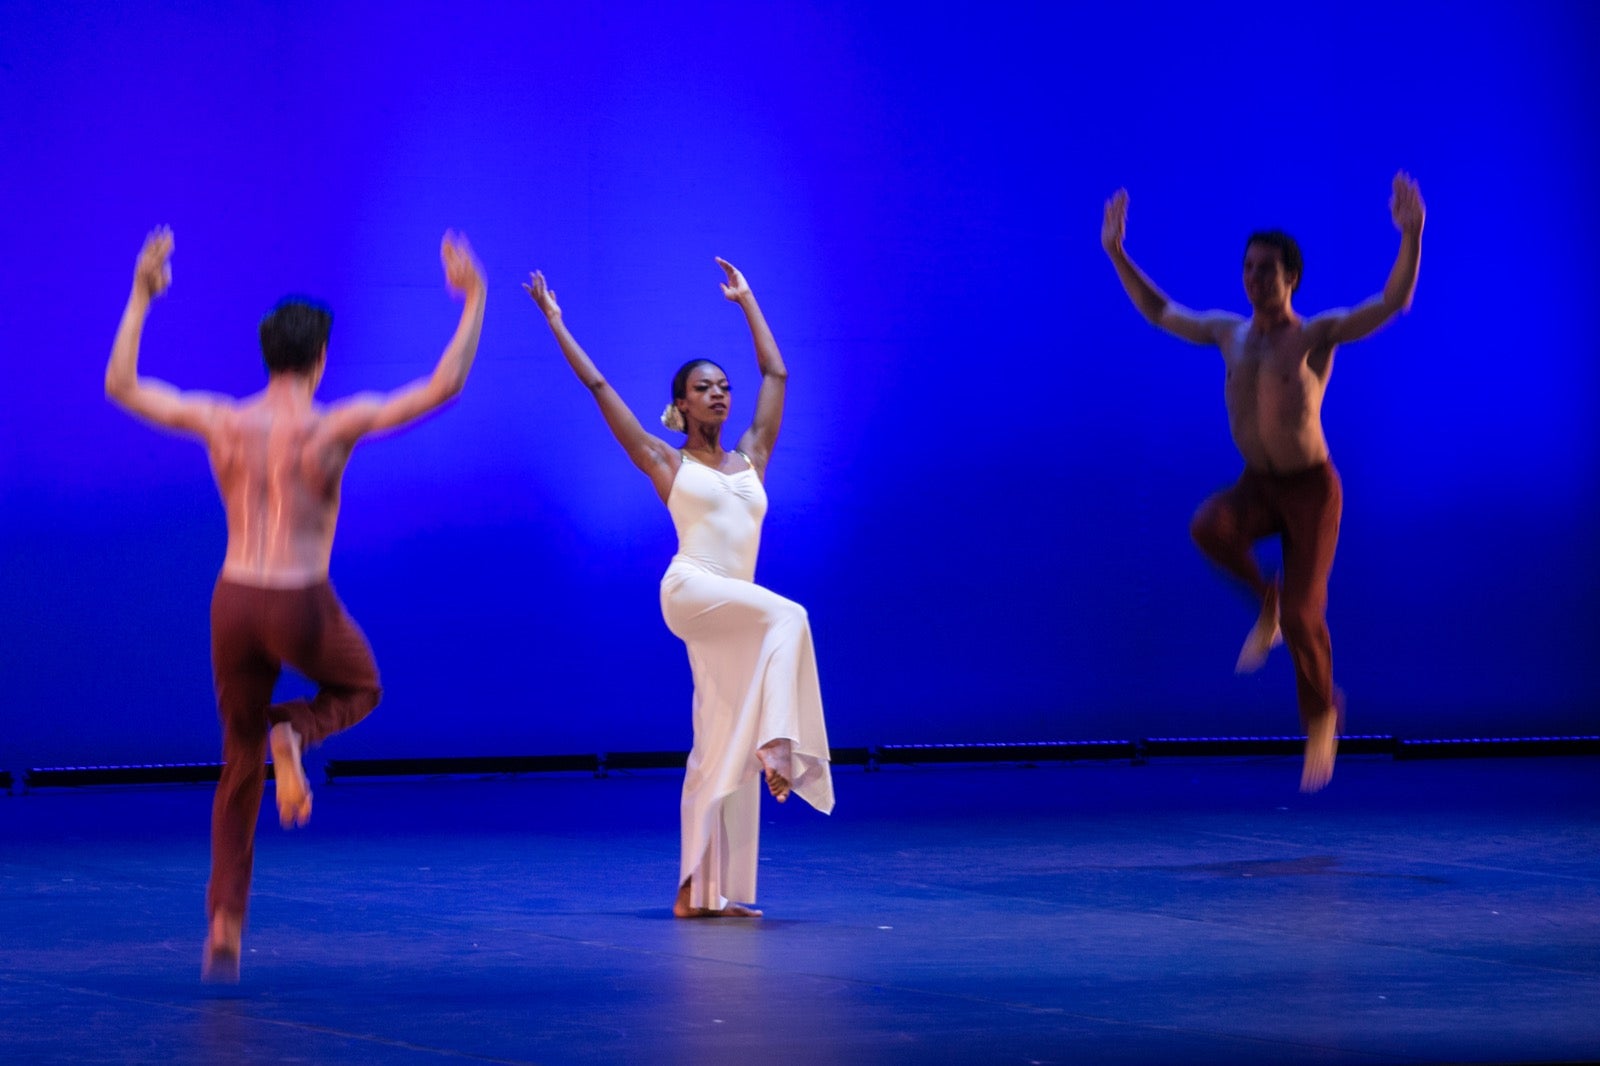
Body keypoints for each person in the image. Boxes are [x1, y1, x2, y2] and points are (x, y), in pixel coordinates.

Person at [104, 226, 486, 980]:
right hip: (299, 601)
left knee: (237, 760)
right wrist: (473, 297)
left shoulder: (220, 418)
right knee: (360, 687)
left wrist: (141, 296)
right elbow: (443, 385)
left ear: (267, 355)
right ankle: (294, 732)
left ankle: (224, 919)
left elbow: (122, 385)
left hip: (233, 600)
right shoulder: (331, 423)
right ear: (320, 359)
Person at [525, 258, 834, 918]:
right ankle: (780, 746)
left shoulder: (752, 455)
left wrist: (747, 301)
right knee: (791, 617)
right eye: (704, 387)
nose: (719, 394)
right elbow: (599, 386)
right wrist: (556, 321)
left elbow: (777, 375)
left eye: (724, 386)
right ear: (682, 404)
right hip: (693, 590)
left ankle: (699, 891)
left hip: (736, 613)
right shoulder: (665, 460)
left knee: (717, 742)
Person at [1101, 173, 1424, 792]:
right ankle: (1265, 602)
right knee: (1208, 527)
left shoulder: (1316, 335)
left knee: (1305, 617)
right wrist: (1117, 252)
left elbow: (1391, 302)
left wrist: (1410, 236)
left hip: (1311, 491)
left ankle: (1322, 713)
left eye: (1267, 270)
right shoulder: (1229, 333)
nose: (1255, 278)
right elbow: (1160, 311)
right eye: (1248, 268)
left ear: (1290, 278)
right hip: (1258, 485)